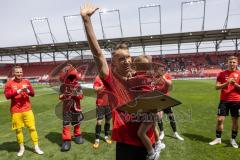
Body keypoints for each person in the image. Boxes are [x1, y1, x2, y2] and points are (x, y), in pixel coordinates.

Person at [80, 4, 158, 160]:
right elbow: (98, 54)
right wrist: (87, 20)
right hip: (127, 144)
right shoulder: (112, 80)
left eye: (128, 57)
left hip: (149, 141)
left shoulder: (141, 77)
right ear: (113, 64)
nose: (127, 61)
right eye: (121, 59)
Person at [4, 66, 44, 157]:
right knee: (18, 130)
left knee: (32, 128)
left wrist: (28, 90)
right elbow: (7, 96)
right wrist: (17, 91)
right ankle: (22, 148)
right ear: (13, 73)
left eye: (21, 72)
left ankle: (36, 147)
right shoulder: (9, 83)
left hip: (27, 109)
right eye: (17, 72)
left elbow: (33, 94)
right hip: (16, 111)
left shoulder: (26, 82)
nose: (19, 74)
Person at [133, 55, 164, 160]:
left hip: (151, 110)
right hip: (155, 108)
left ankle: (152, 153)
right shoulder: (149, 76)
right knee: (153, 126)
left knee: (141, 133)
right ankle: (159, 143)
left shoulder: (138, 78)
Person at [209, 56, 240, 148]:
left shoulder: (239, 74)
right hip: (224, 101)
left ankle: (233, 139)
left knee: (235, 121)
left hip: (236, 101)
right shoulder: (221, 74)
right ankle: (218, 139)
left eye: (234, 62)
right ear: (227, 63)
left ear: (237, 63)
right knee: (219, 120)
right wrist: (227, 83)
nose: (232, 64)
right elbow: (216, 87)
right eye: (230, 62)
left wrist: (235, 84)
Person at [59, 64, 84, 151]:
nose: (71, 78)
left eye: (72, 76)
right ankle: (66, 140)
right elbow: (60, 97)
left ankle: (77, 135)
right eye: (69, 76)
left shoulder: (78, 85)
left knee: (77, 123)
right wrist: (65, 95)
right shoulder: (63, 86)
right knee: (66, 124)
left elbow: (81, 96)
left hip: (76, 107)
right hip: (66, 108)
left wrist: (76, 94)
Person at [154, 66, 184, 141]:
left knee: (170, 116)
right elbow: (153, 84)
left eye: (162, 70)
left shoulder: (167, 76)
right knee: (159, 116)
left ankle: (175, 132)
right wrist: (158, 79)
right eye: (160, 70)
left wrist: (163, 78)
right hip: (158, 99)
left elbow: (170, 84)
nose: (161, 71)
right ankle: (162, 132)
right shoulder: (155, 77)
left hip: (166, 99)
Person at [93, 75, 112, 149]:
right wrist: (101, 87)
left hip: (109, 104)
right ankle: (97, 140)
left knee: (108, 121)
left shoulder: (109, 77)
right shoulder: (98, 78)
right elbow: (95, 89)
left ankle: (106, 137)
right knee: (99, 122)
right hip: (100, 104)